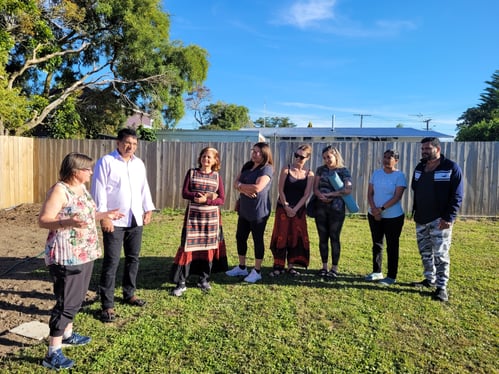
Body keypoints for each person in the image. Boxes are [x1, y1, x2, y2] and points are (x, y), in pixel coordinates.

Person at [39, 153, 123, 370]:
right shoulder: (60, 190)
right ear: (75, 171)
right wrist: (67, 221)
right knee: (67, 302)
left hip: (85, 252)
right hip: (66, 254)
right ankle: (52, 353)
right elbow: (44, 220)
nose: (91, 173)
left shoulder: (81, 189)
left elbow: (88, 214)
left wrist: (106, 214)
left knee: (76, 298)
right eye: (88, 169)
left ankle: (67, 335)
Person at [91, 128, 155, 322]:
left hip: (135, 218)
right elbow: (98, 189)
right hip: (114, 220)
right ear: (118, 143)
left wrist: (148, 209)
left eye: (134, 144)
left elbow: (144, 188)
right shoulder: (106, 162)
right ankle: (107, 304)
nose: (131, 147)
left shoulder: (139, 164)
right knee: (111, 261)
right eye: (127, 143)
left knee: (133, 258)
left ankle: (129, 294)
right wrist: (104, 217)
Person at [170, 147, 229, 296]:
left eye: (209, 157)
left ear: (215, 160)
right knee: (187, 248)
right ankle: (182, 282)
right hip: (193, 218)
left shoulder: (217, 177)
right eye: (204, 156)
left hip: (211, 220)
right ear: (200, 157)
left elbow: (221, 199)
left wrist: (207, 200)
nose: (206, 159)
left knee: (207, 248)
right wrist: (197, 195)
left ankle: (203, 279)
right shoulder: (192, 173)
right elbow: (185, 193)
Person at [411, 137, 463, 302]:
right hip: (421, 218)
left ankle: (442, 287)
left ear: (437, 149)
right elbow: (415, 188)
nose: (424, 151)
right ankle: (430, 280)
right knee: (425, 252)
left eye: (427, 148)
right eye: (422, 149)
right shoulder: (420, 167)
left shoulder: (450, 167)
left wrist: (449, 217)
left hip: (440, 220)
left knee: (440, 254)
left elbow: (457, 195)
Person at [226, 142, 274, 283]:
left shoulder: (267, 168)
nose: (254, 153)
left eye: (258, 152)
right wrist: (243, 188)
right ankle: (242, 267)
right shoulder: (247, 166)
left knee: (257, 239)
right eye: (253, 151)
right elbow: (235, 183)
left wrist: (242, 187)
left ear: (265, 153)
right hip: (244, 209)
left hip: (259, 210)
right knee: (240, 237)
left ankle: (257, 271)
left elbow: (258, 188)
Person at [269, 144, 314, 277]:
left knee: (296, 236)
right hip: (283, 208)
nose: (297, 158)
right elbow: (280, 189)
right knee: (281, 235)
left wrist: (295, 209)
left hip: (299, 210)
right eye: (296, 155)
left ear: (307, 158)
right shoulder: (286, 169)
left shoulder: (309, 174)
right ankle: (278, 265)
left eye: (301, 157)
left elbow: (306, 194)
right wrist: (287, 206)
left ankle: (291, 266)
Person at [365, 149, 407, 286]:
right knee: (377, 244)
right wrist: (374, 210)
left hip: (393, 217)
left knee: (392, 245)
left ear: (396, 160)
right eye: (385, 157)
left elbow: (397, 197)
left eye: (390, 157)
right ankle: (377, 271)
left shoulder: (399, 176)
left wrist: (381, 209)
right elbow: (370, 193)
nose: (387, 160)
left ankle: (391, 276)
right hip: (374, 215)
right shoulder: (376, 174)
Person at [313, 145, 353, 279]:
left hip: (336, 209)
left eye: (328, 157)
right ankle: (324, 267)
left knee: (334, 238)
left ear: (335, 156)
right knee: (322, 238)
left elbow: (348, 189)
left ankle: (334, 268)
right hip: (320, 208)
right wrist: (320, 195)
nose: (326, 160)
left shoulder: (343, 171)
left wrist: (331, 194)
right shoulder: (320, 170)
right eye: (324, 158)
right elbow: (315, 188)